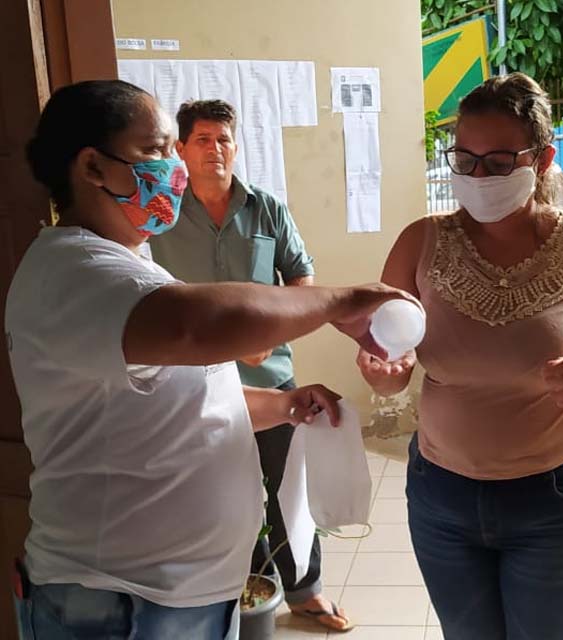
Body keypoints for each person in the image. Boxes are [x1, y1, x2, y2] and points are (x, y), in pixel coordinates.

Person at [7, 79, 411, 638]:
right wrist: (341, 301)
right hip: (114, 598)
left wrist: (283, 404)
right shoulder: (74, 270)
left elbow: (178, 398)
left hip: (172, 593)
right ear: (94, 168)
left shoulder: (133, 263)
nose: (173, 166)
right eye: (155, 150)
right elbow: (196, 326)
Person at [356, 73, 563, 640]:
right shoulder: (419, 243)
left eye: (499, 162)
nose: (477, 177)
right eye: (464, 160)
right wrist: (384, 374)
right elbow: (389, 368)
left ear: (542, 159)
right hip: (442, 496)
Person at [148, 99, 350, 632]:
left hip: (271, 380)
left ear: (236, 148)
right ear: (181, 150)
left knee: (286, 490)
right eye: (202, 140)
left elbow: (303, 280)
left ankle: (305, 591)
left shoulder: (266, 209)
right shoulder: (162, 214)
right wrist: (231, 341)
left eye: (224, 140)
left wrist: (274, 330)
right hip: (189, 387)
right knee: (217, 493)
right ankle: (247, 589)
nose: (215, 149)